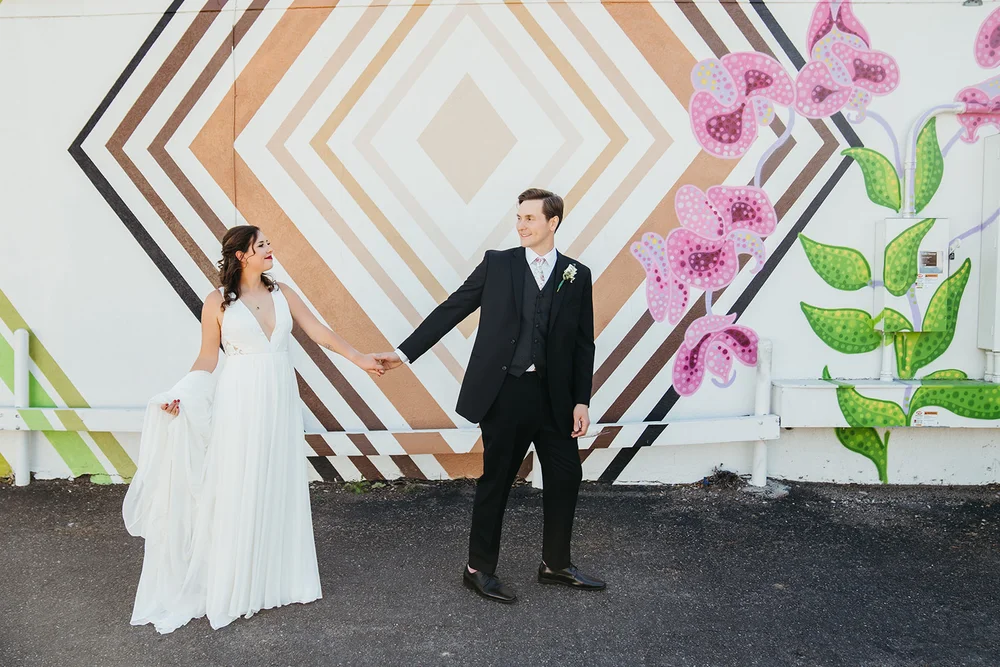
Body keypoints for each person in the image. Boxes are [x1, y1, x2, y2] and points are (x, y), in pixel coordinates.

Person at [123, 225, 384, 633]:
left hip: (279, 402)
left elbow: (320, 334)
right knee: (238, 484)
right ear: (242, 255)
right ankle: (234, 582)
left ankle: (276, 580)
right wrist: (181, 393)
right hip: (239, 402)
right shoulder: (217, 302)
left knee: (276, 481)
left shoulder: (282, 293)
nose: (270, 249)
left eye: (268, 244)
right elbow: (208, 357)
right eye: (262, 245)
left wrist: (361, 358)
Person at [375, 188, 605, 603]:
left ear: (552, 223)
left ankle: (555, 564)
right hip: (507, 392)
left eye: (529, 218)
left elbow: (582, 344)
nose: (520, 225)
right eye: (518, 217)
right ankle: (478, 569)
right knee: (497, 480)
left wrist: (581, 400)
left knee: (567, 476)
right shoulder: (498, 265)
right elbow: (453, 308)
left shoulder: (577, 274)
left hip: (555, 397)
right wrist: (402, 353)